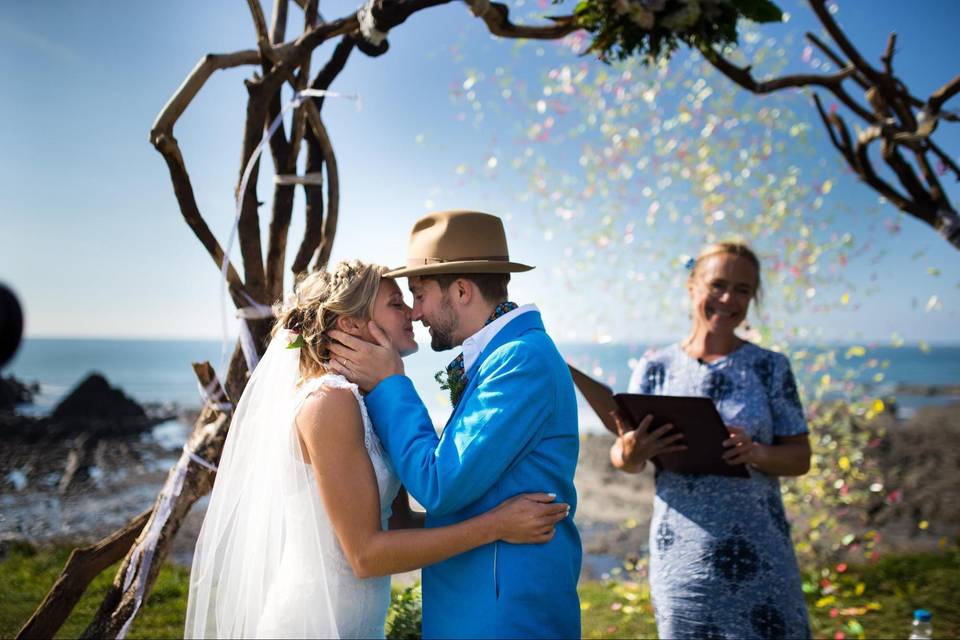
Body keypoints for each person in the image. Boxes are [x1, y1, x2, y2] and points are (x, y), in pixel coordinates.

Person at [184, 260, 570, 639]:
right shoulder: (330, 401)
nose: (412, 314)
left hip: (359, 625)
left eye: (414, 298)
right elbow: (366, 555)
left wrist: (503, 525)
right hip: (315, 624)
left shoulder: (369, 401)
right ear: (351, 324)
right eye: (396, 303)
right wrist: (494, 526)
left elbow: (397, 523)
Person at [327, 211, 582, 639]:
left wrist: (391, 383)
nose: (416, 312)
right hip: (480, 606)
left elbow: (439, 483)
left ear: (461, 290)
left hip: (503, 616)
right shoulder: (502, 356)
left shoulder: (520, 359)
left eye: (419, 293)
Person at [611, 242, 812, 639]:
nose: (727, 299)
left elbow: (800, 458)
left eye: (742, 290)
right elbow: (624, 455)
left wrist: (758, 452)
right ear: (691, 286)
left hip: (761, 556)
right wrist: (632, 452)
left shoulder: (771, 367)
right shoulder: (655, 367)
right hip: (681, 559)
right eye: (717, 285)